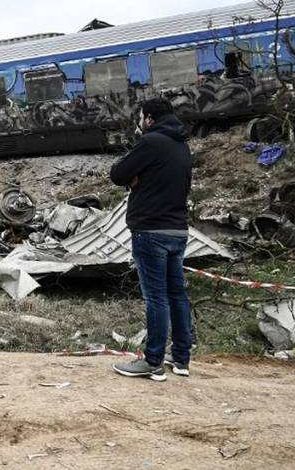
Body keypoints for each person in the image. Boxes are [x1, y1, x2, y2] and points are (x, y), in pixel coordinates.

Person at [109, 98, 193, 381]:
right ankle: (181, 359)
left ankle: (153, 361)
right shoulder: (182, 145)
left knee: (156, 297)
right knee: (177, 294)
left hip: (151, 230)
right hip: (178, 229)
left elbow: (118, 174)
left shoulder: (152, 142)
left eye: (143, 116)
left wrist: (136, 177)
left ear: (149, 118)